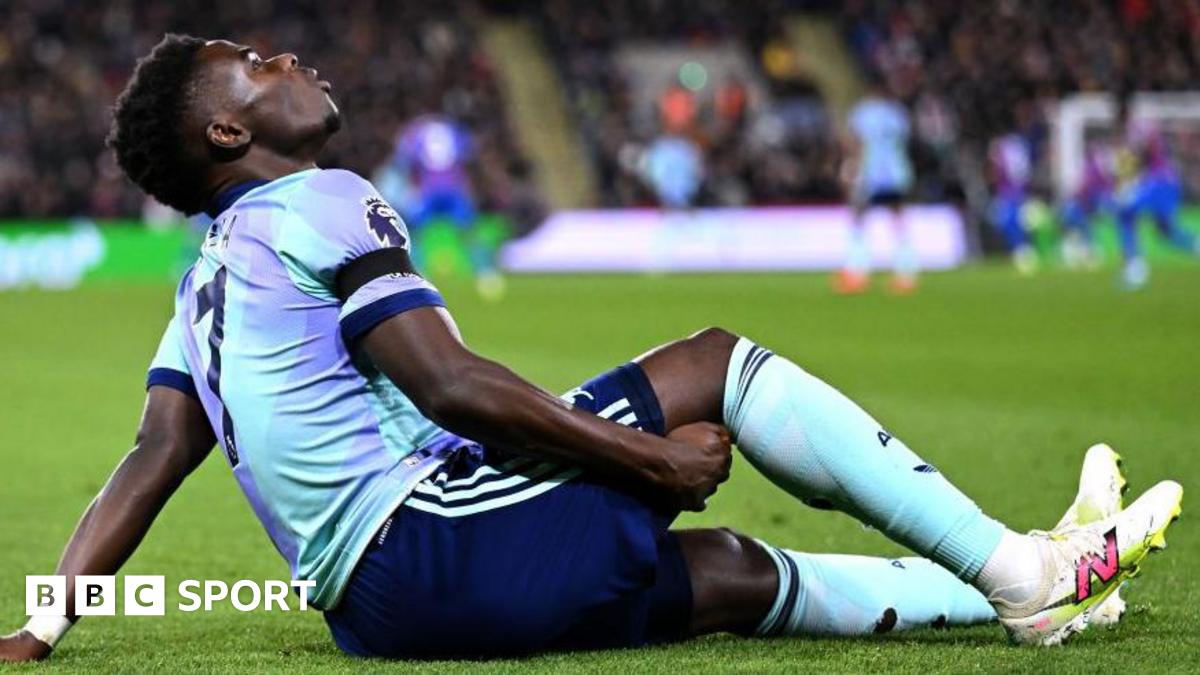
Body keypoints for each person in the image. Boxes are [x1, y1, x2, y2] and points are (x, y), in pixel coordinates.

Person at [0, 35, 1182, 662]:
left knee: (720, 574)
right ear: (226, 128)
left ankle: (1028, 581)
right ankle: (1026, 577)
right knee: (714, 361)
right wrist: (644, 460)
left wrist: (46, 620)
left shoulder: (205, 277)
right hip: (435, 541)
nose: (291, 63)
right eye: (260, 66)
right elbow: (452, 387)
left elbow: (150, 458)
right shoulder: (320, 202)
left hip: (377, 617)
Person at [837, 79, 917, 295]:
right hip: (897, 172)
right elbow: (904, 141)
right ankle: (906, 274)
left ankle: (857, 273)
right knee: (898, 219)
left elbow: (856, 142)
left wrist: (852, 169)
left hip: (872, 173)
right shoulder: (897, 112)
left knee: (859, 218)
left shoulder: (864, 112)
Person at [1111, 96, 1198, 289]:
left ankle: (1135, 268)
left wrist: (1128, 174)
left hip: (1160, 181)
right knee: (1166, 232)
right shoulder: (1136, 130)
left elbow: (1140, 153)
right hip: (1168, 181)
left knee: (1124, 212)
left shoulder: (1138, 128)